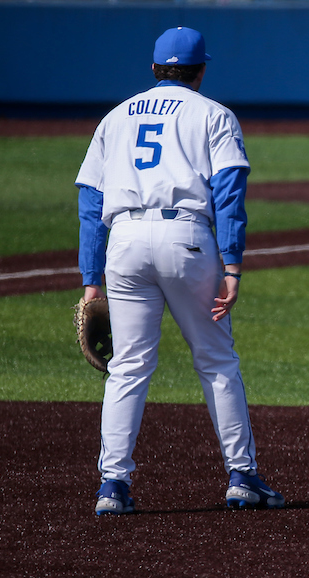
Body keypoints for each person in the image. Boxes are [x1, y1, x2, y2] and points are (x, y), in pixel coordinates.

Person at [76, 26, 285, 516]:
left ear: (154, 69)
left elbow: (91, 201)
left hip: (124, 244)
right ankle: (242, 478)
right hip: (188, 240)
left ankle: (113, 487)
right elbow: (229, 192)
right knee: (215, 360)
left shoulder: (115, 117)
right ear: (201, 71)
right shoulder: (214, 115)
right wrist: (232, 263)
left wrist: (91, 281)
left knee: (127, 368)